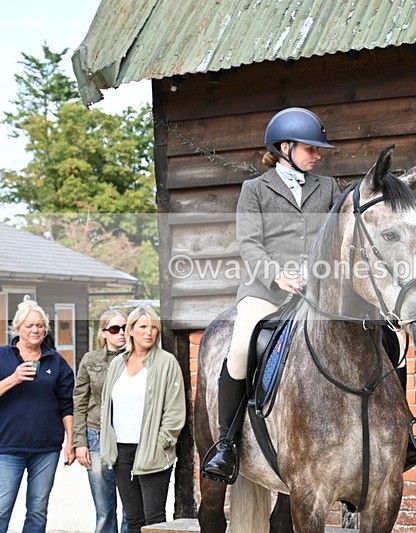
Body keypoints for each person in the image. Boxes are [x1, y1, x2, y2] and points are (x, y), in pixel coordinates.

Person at [201, 107, 340, 483]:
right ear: (284, 147)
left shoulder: (327, 188)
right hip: (266, 291)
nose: (318, 154)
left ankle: (402, 432)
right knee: (242, 345)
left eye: (318, 149)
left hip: (317, 291)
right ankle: (227, 445)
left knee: (381, 333)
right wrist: (277, 275)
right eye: (310, 148)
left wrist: (321, 273)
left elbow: (337, 237)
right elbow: (249, 243)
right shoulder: (254, 190)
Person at [0, 298, 75, 532]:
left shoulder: (56, 361)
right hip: (9, 447)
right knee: (0, 510)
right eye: (29, 325)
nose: (35, 330)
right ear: (17, 328)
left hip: (46, 449)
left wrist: (70, 443)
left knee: (37, 511)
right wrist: (13, 378)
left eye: (40, 325)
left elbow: (67, 405)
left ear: (45, 328)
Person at [99, 307, 185, 533]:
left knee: (154, 519)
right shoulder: (118, 363)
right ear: (130, 330)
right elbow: (107, 404)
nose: (149, 332)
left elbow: (175, 410)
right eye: (143, 326)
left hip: (152, 450)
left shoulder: (167, 362)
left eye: (154, 327)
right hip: (121, 452)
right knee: (133, 518)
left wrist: (162, 442)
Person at [73, 310, 129, 533]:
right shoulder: (90, 360)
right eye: (115, 329)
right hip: (96, 434)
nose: (122, 333)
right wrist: (80, 442)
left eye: (125, 327)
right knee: (104, 509)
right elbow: (79, 401)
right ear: (104, 333)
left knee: (131, 507)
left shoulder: (137, 358)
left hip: (128, 436)